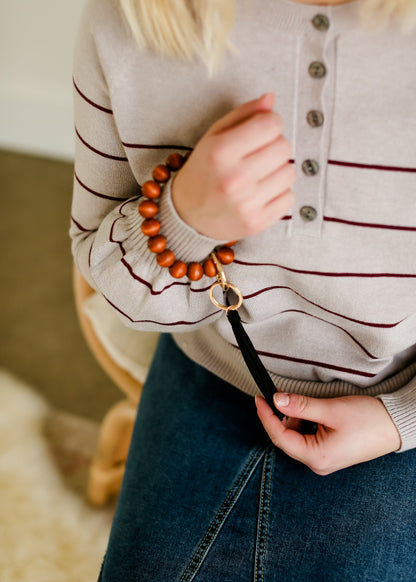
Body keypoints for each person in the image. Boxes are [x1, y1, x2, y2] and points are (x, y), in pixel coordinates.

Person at [71, 0, 416, 579]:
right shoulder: (129, 22)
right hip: (210, 365)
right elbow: (106, 278)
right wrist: (183, 219)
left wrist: (403, 418)